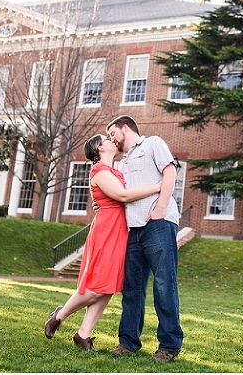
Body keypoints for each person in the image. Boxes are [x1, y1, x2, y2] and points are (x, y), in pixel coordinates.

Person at [44, 134, 162, 351]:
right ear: (99, 148)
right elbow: (123, 196)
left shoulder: (115, 170)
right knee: (96, 286)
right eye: (107, 139)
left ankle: (83, 334)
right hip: (106, 230)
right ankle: (60, 315)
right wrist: (158, 187)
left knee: (108, 286)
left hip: (119, 230)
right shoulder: (99, 171)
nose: (111, 140)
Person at [106, 115, 183, 363]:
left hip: (158, 224)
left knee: (164, 284)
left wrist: (160, 209)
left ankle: (169, 346)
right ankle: (128, 342)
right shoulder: (121, 163)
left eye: (113, 134)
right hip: (133, 229)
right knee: (132, 289)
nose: (111, 140)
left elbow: (170, 174)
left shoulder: (153, 144)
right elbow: (122, 195)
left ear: (125, 128)